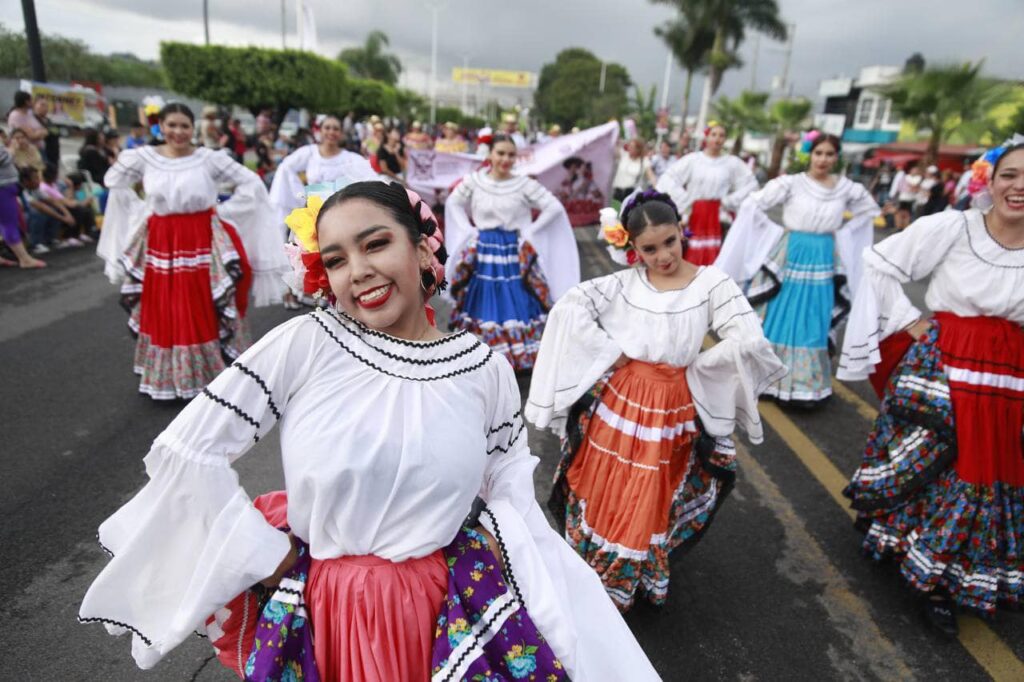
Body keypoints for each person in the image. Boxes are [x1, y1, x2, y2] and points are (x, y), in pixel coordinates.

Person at [79, 178, 660, 682]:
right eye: (334, 259)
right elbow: (187, 453)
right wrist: (266, 554)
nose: (357, 272)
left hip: (444, 612)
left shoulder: (485, 369)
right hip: (330, 609)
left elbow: (508, 495)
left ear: (423, 248)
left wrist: (550, 608)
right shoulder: (306, 344)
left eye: (375, 243)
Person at [525, 190, 784, 611]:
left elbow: (748, 338)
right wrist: (613, 352)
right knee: (611, 483)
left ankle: (624, 579)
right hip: (622, 400)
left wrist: (700, 368)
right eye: (649, 248)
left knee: (649, 489)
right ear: (632, 247)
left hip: (672, 406)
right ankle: (596, 569)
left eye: (670, 242)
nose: (663, 255)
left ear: (683, 232)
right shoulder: (625, 283)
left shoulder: (711, 283)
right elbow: (570, 307)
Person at [838, 135, 1024, 636]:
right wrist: (909, 321)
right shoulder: (955, 227)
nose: (1020, 186)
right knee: (937, 466)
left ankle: (950, 570)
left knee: (985, 476)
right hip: (942, 367)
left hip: (1007, 378)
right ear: (991, 180)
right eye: (1010, 175)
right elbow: (878, 263)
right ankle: (930, 577)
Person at [95, 103, 290, 399]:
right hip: (161, 240)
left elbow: (250, 183)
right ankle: (168, 378)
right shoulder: (144, 157)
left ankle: (206, 374)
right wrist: (142, 212)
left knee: (197, 302)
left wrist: (223, 213)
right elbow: (113, 181)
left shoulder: (208, 159)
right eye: (171, 125)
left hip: (199, 239)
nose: (178, 132)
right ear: (160, 126)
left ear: (193, 128)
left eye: (184, 125)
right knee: (164, 304)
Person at [717, 132, 879, 406]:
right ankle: (766, 378)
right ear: (810, 154)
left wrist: (844, 237)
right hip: (792, 251)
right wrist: (771, 232)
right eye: (819, 153)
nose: (823, 159)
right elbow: (754, 204)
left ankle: (805, 386)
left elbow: (869, 212)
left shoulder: (847, 189)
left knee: (814, 317)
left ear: (836, 158)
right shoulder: (792, 183)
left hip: (824, 255)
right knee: (780, 313)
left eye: (829, 154)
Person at [445, 133, 580, 371]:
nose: (505, 159)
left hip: (513, 252)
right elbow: (453, 202)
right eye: (501, 153)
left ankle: (514, 358)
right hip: (483, 251)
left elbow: (554, 207)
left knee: (515, 297)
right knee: (483, 298)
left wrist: (530, 231)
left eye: (511, 155)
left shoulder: (523, 183)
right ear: (490, 154)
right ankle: (482, 355)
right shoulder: (474, 181)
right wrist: (467, 229)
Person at [655, 121, 757, 265]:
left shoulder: (731, 163)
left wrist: (728, 201)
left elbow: (751, 184)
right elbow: (667, 179)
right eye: (713, 134)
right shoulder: (693, 160)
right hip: (694, 213)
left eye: (722, 135)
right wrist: (686, 200)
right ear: (706, 137)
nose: (717, 139)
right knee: (688, 253)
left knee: (717, 257)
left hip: (718, 216)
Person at [0, 146, 45, 268]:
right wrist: (11, 151)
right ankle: (24, 259)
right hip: (3, 187)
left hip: (6, 186)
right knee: (9, 224)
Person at [18, 165, 75, 255]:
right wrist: (63, 218)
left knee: (55, 209)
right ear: (26, 181)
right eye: (35, 178)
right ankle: (35, 244)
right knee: (37, 213)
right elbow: (40, 206)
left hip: (28, 216)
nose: (38, 181)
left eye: (38, 177)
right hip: (19, 219)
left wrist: (67, 214)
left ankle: (51, 239)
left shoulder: (36, 189)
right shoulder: (21, 191)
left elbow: (53, 201)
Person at [32, 97, 61, 168]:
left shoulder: (48, 120)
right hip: (42, 154)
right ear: (34, 106)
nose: (45, 108)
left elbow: (56, 132)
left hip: (54, 155)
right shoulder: (33, 120)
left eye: (47, 106)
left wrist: (48, 131)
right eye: (42, 105)